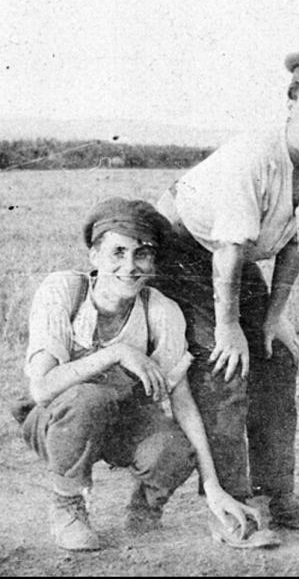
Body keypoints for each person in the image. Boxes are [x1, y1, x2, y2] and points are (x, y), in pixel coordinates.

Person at [152, 51, 299, 546]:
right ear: (290, 105)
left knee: (277, 357)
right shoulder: (255, 154)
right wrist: (229, 328)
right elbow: (227, 251)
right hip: (185, 249)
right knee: (226, 365)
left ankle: (279, 495)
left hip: (237, 256)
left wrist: (275, 316)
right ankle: (231, 508)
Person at [17, 198, 265, 552]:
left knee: (175, 448)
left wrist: (212, 485)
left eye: (143, 254)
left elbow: (182, 402)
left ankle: (144, 510)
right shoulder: (64, 291)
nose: (130, 267)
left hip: (121, 422)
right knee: (89, 398)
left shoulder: (160, 311)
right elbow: (42, 389)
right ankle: (68, 505)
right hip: (57, 420)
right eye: (117, 252)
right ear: (94, 256)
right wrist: (116, 353)